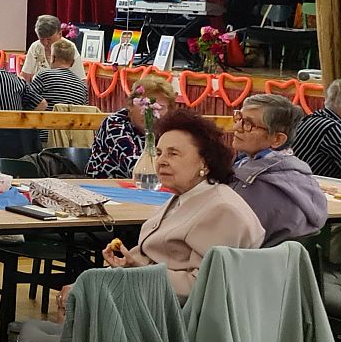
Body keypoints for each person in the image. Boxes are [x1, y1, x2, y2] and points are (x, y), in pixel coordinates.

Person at [96, 108, 264, 297]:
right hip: (149, 296)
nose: (161, 161)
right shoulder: (185, 195)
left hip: (171, 317)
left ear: (205, 163)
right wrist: (130, 263)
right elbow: (155, 257)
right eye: (159, 153)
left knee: (82, 295)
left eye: (173, 154)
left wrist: (136, 273)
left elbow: (200, 288)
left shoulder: (222, 210)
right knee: (80, 290)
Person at [229, 94, 327, 246]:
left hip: (248, 266)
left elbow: (227, 240)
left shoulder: (255, 186)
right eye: (239, 118)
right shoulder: (301, 176)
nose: (236, 127)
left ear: (277, 139)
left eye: (248, 124)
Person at [87, 78, 176, 178]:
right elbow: (133, 167)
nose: (150, 113)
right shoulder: (115, 124)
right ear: (130, 105)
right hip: (104, 187)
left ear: (170, 111)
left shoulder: (169, 130)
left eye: (159, 107)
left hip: (150, 187)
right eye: (145, 104)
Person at [31, 38, 91, 106]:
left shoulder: (43, 76)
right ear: (73, 62)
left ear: (53, 58)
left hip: (48, 116)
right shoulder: (82, 86)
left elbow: (28, 101)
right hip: (73, 117)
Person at [21, 15, 83, 80]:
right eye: (41, 39)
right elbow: (25, 76)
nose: (45, 43)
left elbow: (81, 80)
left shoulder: (69, 48)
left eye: (49, 39)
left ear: (60, 34)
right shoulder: (35, 47)